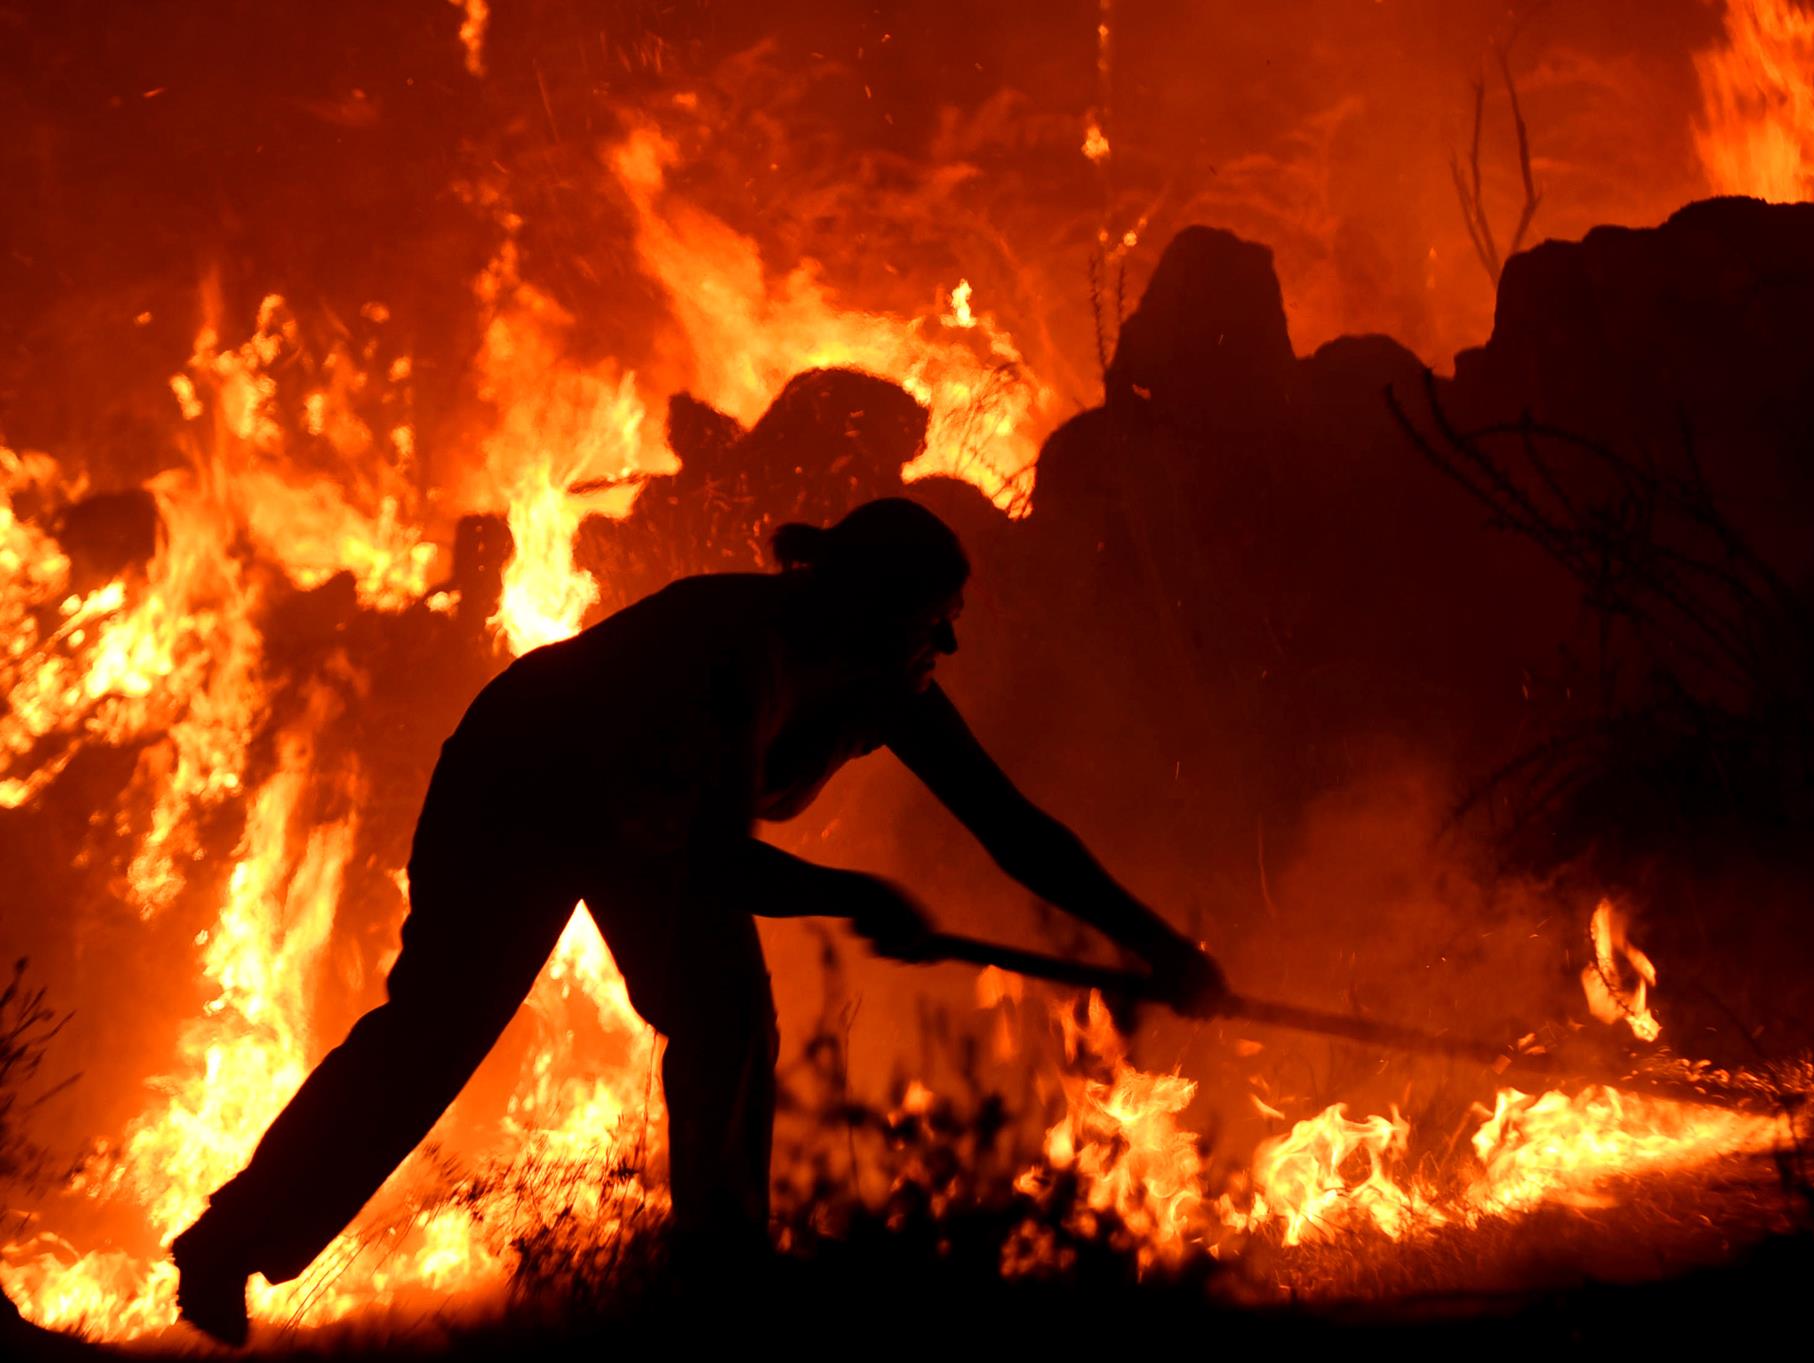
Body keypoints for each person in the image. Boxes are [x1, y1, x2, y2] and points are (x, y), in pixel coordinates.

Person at [170, 497, 1226, 1344]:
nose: (948, 639)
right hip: (523, 785)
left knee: (729, 1017)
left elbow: (1014, 829)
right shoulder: (742, 656)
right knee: (438, 1029)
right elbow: (716, 858)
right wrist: (854, 894)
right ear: (871, 611)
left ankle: (721, 1286)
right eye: (934, 617)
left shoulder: (884, 683)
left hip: (650, 826)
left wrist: (1161, 948)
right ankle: (227, 1244)